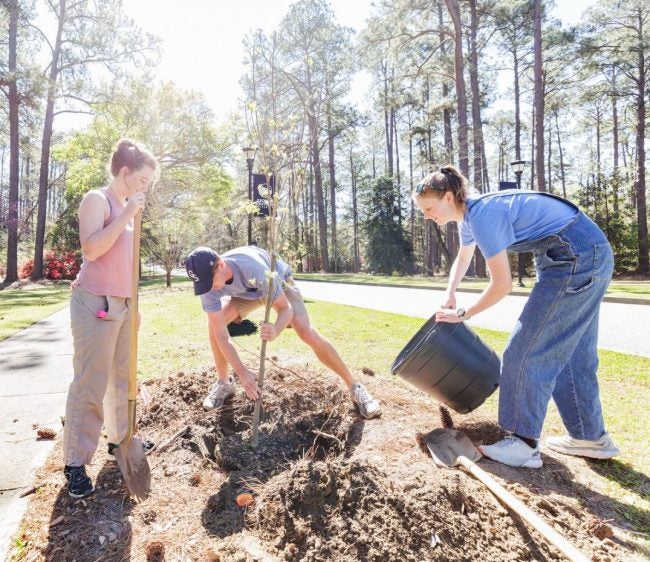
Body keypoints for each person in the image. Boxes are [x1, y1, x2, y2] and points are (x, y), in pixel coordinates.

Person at [413, 165, 619, 468]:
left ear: (448, 197)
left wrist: (463, 314)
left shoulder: (482, 215)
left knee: (524, 350)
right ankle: (590, 437)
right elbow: (464, 255)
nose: (427, 215)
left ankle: (523, 444)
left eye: (429, 208)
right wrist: (450, 293)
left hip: (575, 259)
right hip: (586, 253)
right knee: (572, 353)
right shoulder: (471, 213)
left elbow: (502, 285)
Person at [184, 245, 381, 419]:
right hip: (246, 294)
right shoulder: (207, 287)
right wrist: (242, 372)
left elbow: (286, 309)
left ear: (220, 265)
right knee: (213, 326)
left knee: (306, 332)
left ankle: (355, 387)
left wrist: (276, 329)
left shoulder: (256, 269)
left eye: (210, 281)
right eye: (203, 284)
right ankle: (224, 383)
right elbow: (221, 335)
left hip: (277, 282)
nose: (208, 288)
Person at [62, 139, 158, 498]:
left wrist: (134, 305)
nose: (146, 186)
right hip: (94, 303)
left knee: (123, 378)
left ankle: (121, 440)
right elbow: (92, 248)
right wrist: (127, 214)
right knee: (91, 382)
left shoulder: (126, 207)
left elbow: (126, 264)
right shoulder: (98, 200)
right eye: (143, 179)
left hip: (122, 305)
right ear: (124, 172)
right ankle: (74, 463)